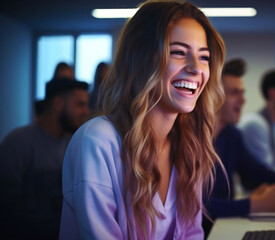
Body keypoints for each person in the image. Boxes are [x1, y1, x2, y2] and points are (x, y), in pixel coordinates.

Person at [59, 1, 225, 239]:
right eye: (178, 52)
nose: (196, 68)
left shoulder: (188, 147)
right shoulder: (98, 141)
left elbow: (191, 234)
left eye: (204, 57)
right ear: (142, 59)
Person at [204, 59, 275, 236]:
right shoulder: (193, 141)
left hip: (222, 228)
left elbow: (258, 171)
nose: (243, 99)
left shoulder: (231, 136)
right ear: (213, 96)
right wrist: (253, 205)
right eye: (234, 93)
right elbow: (197, 205)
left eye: (242, 92)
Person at [0, 77, 89, 239]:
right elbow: (6, 211)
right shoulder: (17, 144)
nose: (86, 111)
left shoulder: (74, 144)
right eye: (80, 104)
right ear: (58, 104)